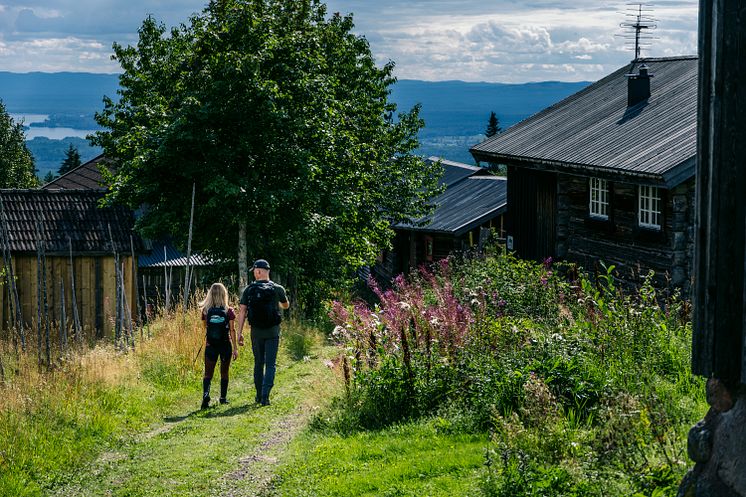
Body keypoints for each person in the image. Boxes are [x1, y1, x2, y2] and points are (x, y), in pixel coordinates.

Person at [237, 259, 289, 406]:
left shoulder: (249, 290)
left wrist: (239, 333)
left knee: (258, 363)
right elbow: (285, 306)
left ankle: (259, 395)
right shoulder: (278, 289)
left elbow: (242, 312)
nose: (254, 273)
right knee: (271, 364)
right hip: (273, 332)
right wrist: (277, 302)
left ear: (259, 271)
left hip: (256, 333)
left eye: (254, 271)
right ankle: (266, 396)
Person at [199, 282, 238, 409]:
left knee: (208, 374)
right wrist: (235, 349)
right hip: (225, 345)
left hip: (211, 345)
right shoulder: (229, 311)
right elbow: (232, 330)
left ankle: (206, 395)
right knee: (224, 372)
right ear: (224, 294)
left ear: (210, 295)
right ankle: (223, 398)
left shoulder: (205, 311)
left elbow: (205, 328)